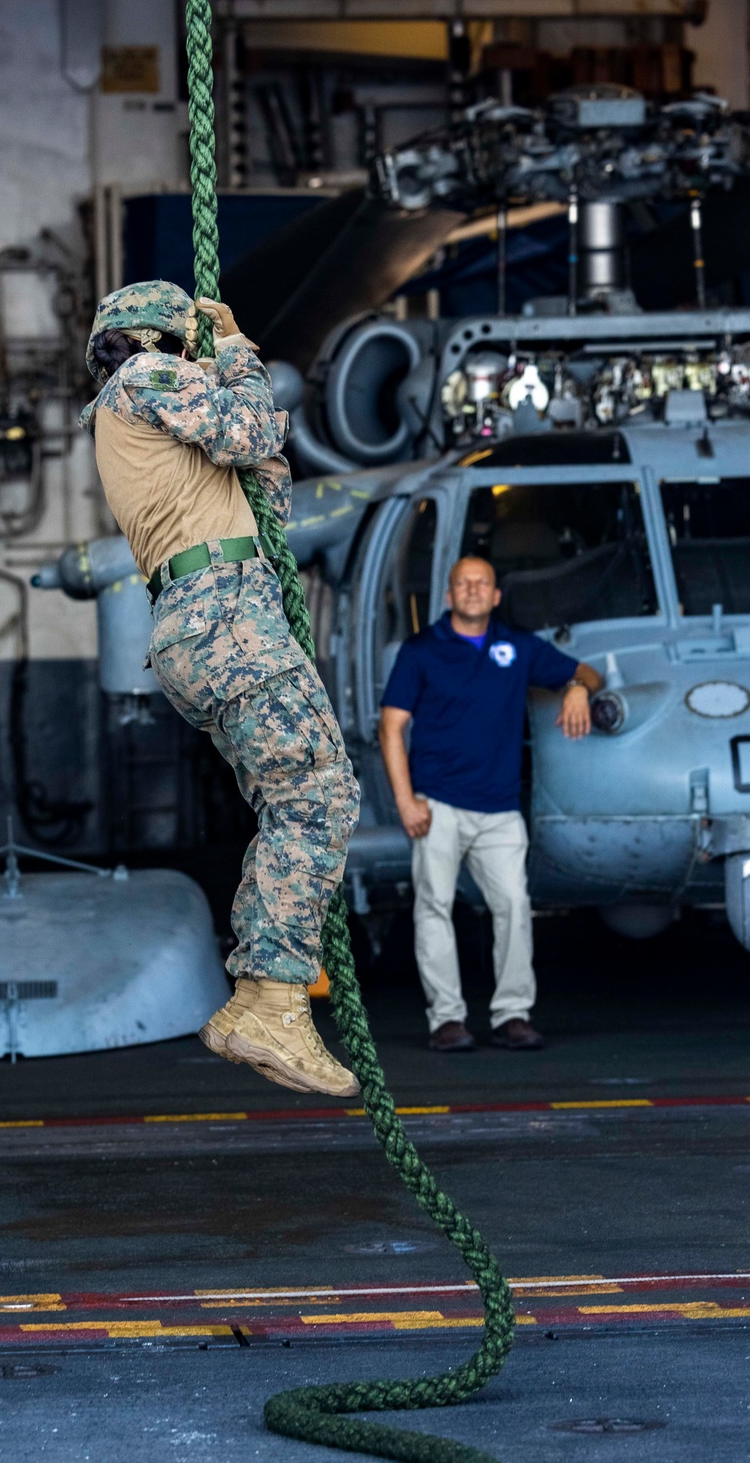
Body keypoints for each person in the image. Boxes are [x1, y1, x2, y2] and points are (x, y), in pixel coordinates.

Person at [80, 279, 360, 1097]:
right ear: (165, 341)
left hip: (218, 615)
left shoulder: (151, 418)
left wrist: (238, 384)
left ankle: (266, 994)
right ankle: (270, 999)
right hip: (224, 613)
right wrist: (236, 352)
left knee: (299, 797)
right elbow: (249, 427)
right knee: (319, 795)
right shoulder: (140, 382)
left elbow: (264, 476)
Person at [378, 555, 603, 1052]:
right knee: (433, 908)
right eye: (463, 583)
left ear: (497, 595)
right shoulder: (420, 651)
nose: (473, 590)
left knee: (515, 907)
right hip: (436, 804)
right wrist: (405, 800)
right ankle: (446, 1020)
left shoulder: (516, 646)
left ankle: (512, 1015)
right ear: (449, 596)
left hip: (500, 809)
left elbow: (590, 673)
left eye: (482, 583)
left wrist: (575, 691)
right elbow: (391, 728)